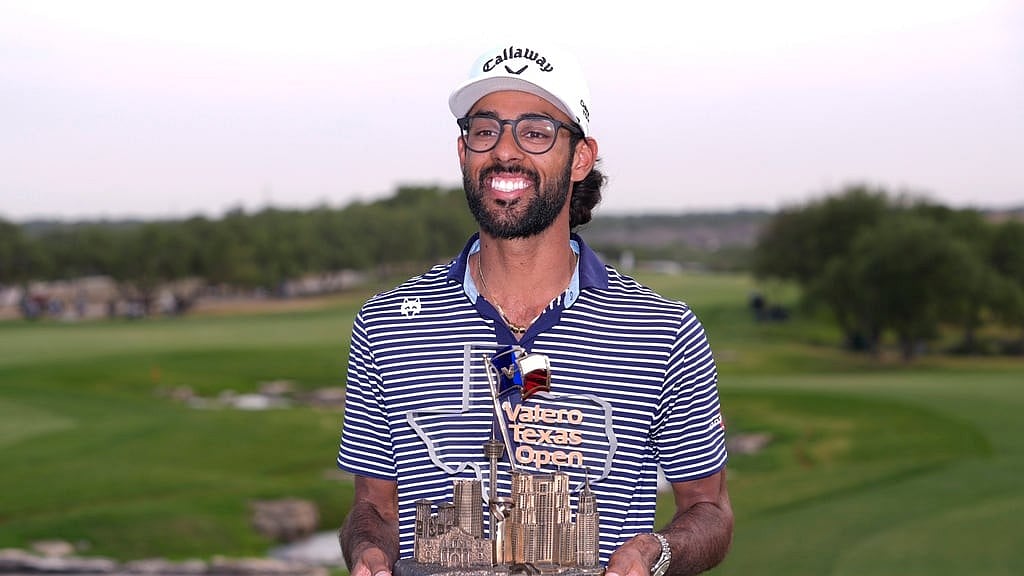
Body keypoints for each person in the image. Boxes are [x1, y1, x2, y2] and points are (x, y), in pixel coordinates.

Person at [337, 42, 733, 576]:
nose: (505, 151)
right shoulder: (385, 324)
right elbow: (373, 506)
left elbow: (708, 510)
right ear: (463, 153)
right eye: (485, 129)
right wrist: (369, 551)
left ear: (581, 157)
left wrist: (655, 555)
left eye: (536, 131)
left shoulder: (663, 330)